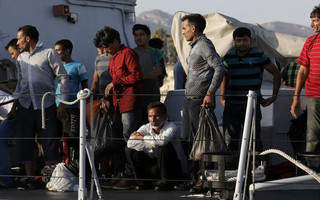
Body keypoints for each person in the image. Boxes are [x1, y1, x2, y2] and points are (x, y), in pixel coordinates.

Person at [8, 25, 69, 189]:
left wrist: (62, 103)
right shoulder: (20, 58)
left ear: (27, 38)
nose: (17, 43)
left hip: (45, 104)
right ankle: (29, 178)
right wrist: (14, 107)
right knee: (25, 141)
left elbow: (63, 77)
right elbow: (20, 84)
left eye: (19, 38)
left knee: (49, 140)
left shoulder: (48, 53)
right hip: (25, 105)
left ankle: (52, 178)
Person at [96, 26, 143, 189]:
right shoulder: (114, 57)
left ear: (115, 42)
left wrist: (116, 83)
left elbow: (137, 75)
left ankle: (130, 175)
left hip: (129, 103)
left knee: (129, 138)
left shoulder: (128, 53)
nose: (106, 50)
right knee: (117, 140)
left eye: (107, 46)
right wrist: (106, 98)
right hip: (116, 104)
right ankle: (120, 173)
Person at [221, 27, 281, 152]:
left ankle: (255, 169)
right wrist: (222, 96)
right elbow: (224, 76)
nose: (242, 43)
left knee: (254, 140)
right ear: (234, 42)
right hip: (232, 103)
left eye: (245, 40)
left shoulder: (259, 55)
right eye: (239, 40)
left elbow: (276, 73)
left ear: (251, 41)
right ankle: (231, 170)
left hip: (252, 104)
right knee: (230, 141)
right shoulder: (229, 56)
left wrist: (274, 96)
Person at [180, 14, 225, 163]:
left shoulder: (204, 45)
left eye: (184, 28)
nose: (183, 32)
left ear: (193, 28)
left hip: (199, 101)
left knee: (200, 141)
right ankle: (193, 176)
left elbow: (219, 67)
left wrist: (210, 92)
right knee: (186, 138)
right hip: (189, 100)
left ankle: (201, 177)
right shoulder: (195, 46)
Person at [126, 101, 186, 191]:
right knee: (129, 150)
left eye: (156, 116)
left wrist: (142, 137)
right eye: (150, 116)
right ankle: (144, 182)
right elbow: (130, 143)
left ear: (165, 116)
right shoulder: (146, 127)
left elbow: (162, 142)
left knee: (164, 148)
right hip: (155, 164)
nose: (153, 119)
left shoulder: (171, 127)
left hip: (172, 167)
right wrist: (152, 144)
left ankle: (167, 182)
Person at [291, 5, 320, 156]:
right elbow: (303, 70)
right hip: (314, 97)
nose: (311, 24)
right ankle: (313, 172)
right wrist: (296, 97)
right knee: (312, 136)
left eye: (315, 20)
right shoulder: (310, 42)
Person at [54, 39, 88, 163]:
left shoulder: (79, 66)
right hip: (55, 107)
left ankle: (76, 166)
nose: (56, 53)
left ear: (67, 51)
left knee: (73, 139)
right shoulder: (55, 67)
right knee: (57, 138)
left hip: (72, 108)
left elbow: (85, 89)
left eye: (58, 50)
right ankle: (61, 165)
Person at [132, 24, 164, 124]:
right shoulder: (132, 54)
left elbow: (162, 76)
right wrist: (146, 76)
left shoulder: (156, 53)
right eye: (136, 35)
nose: (138, 38)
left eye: (141, 34)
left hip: (153, 95)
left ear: (148, 37)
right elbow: (130, 76)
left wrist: (159, 73)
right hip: (137, 97)